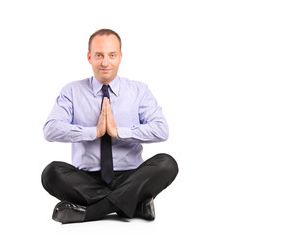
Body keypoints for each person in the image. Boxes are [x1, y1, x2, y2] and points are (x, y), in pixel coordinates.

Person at [41, 29, 178, 224]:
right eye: (99, 55)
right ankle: (135, 204)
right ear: (89, 57)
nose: (105, 62)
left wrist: (119, 132)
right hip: (86, 180)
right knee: (51, 173)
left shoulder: (139, 90)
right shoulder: (72, 91)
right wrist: (93, 132)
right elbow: (50, 129)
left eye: (112, 55)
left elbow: (162, 130)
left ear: (120, 57)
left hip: (131, 177)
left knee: (167, 163)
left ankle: (92, 212)